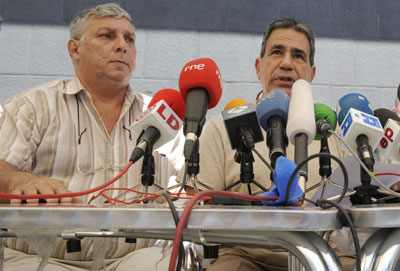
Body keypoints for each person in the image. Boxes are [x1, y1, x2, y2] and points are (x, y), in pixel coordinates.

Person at [0, 3, 183, 271]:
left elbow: (185, 188)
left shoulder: (159, 115)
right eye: (107, 35)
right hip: (42, 257)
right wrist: (19, 179)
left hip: (134, 258)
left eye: (129, 39)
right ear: (74, 49)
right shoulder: (34, 105)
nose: (122, 46)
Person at [178, 18, 356, 270]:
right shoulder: (221, 127)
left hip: (322, 253)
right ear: (258, 67)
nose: (286, 63)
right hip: (245, 253)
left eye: (298, 56)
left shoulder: (330, 130)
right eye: (276, 52)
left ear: (311, 73)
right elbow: (195, 204)